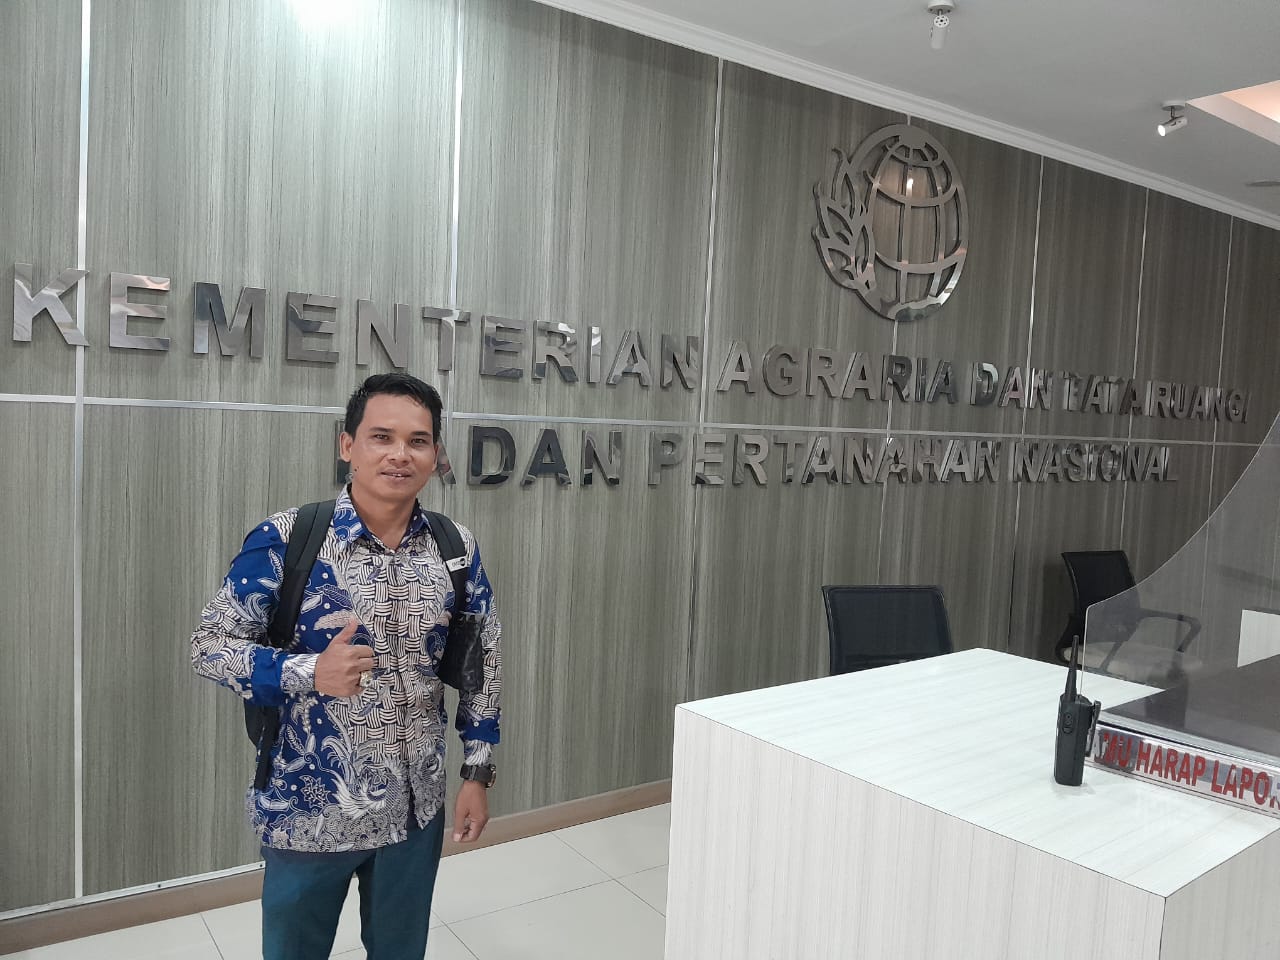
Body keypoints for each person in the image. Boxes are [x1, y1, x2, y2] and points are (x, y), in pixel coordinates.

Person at [191, 373, 502, 960]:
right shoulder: (288, 540)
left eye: (418, 440)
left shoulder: (454, 547)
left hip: (415, 811)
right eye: (381, 436)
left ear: (435, 454)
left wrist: (477, 772)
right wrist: (309, 672)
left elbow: (481, 661)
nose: (399, 454)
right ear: (347, 445)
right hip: (310, 813)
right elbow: (209, 646)